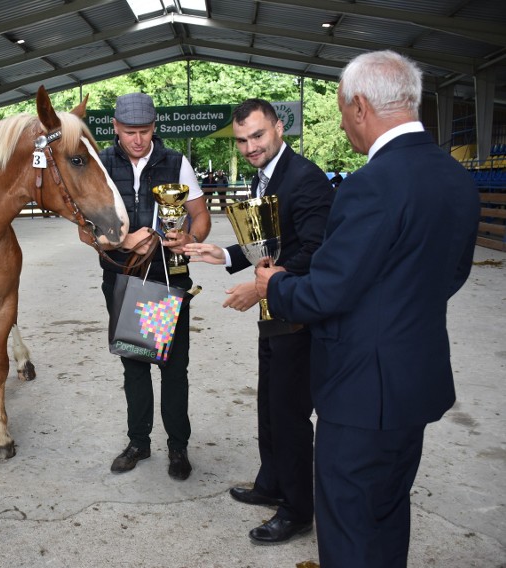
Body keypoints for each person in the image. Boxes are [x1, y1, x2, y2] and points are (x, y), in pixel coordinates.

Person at [254, 50, 479, 567]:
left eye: (339, 111)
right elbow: (453, 274)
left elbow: (326, 292)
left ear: (360, 106)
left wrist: (275, 284)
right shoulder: (452, 176)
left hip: (362, 393)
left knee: (351, 526)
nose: (342, 122)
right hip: (414, 381)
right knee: (388, 511)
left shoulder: (370, 184)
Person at [185, 98, 334, 544]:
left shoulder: (304, 180)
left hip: (298, 315)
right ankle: (272, 481)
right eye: (243, 140)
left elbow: (315, 253)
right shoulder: (262, 177)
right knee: (269, 404)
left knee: (289, 413)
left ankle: (297, 508)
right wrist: (225, 255)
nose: (250, 146)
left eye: (258, 136)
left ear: (278, 129)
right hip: (275, 315)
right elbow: (267, 244)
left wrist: (262, 287)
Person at [81, 92, 211, 481]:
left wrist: (187, 236)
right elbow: (85, 231)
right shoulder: (100, 165)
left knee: (172, 365)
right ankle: (139, 442)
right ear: (115, 129)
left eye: (145, 131)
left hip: (167, 275)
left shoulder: (175, 162)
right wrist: (122, 241)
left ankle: (178, 446)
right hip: (122, 275)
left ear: (155, 128)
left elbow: (200, 216)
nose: (138, 139)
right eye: (129, 132)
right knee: (134, 362)